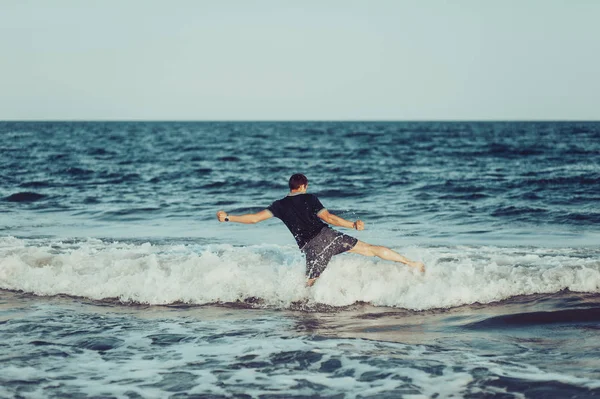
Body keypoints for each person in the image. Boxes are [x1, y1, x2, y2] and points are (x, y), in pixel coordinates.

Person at [216, 173, 425, 286]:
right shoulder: (309, 197)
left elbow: (253, 219)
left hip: (310, 247)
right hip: (328, 237)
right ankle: (411, 263)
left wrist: (228, 217)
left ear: (290, 187)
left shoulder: (278, 205)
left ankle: (293, 308)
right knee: (370, 249)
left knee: (309, 283)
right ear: (304, 186)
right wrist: (352, 225)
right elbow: (328, 217)